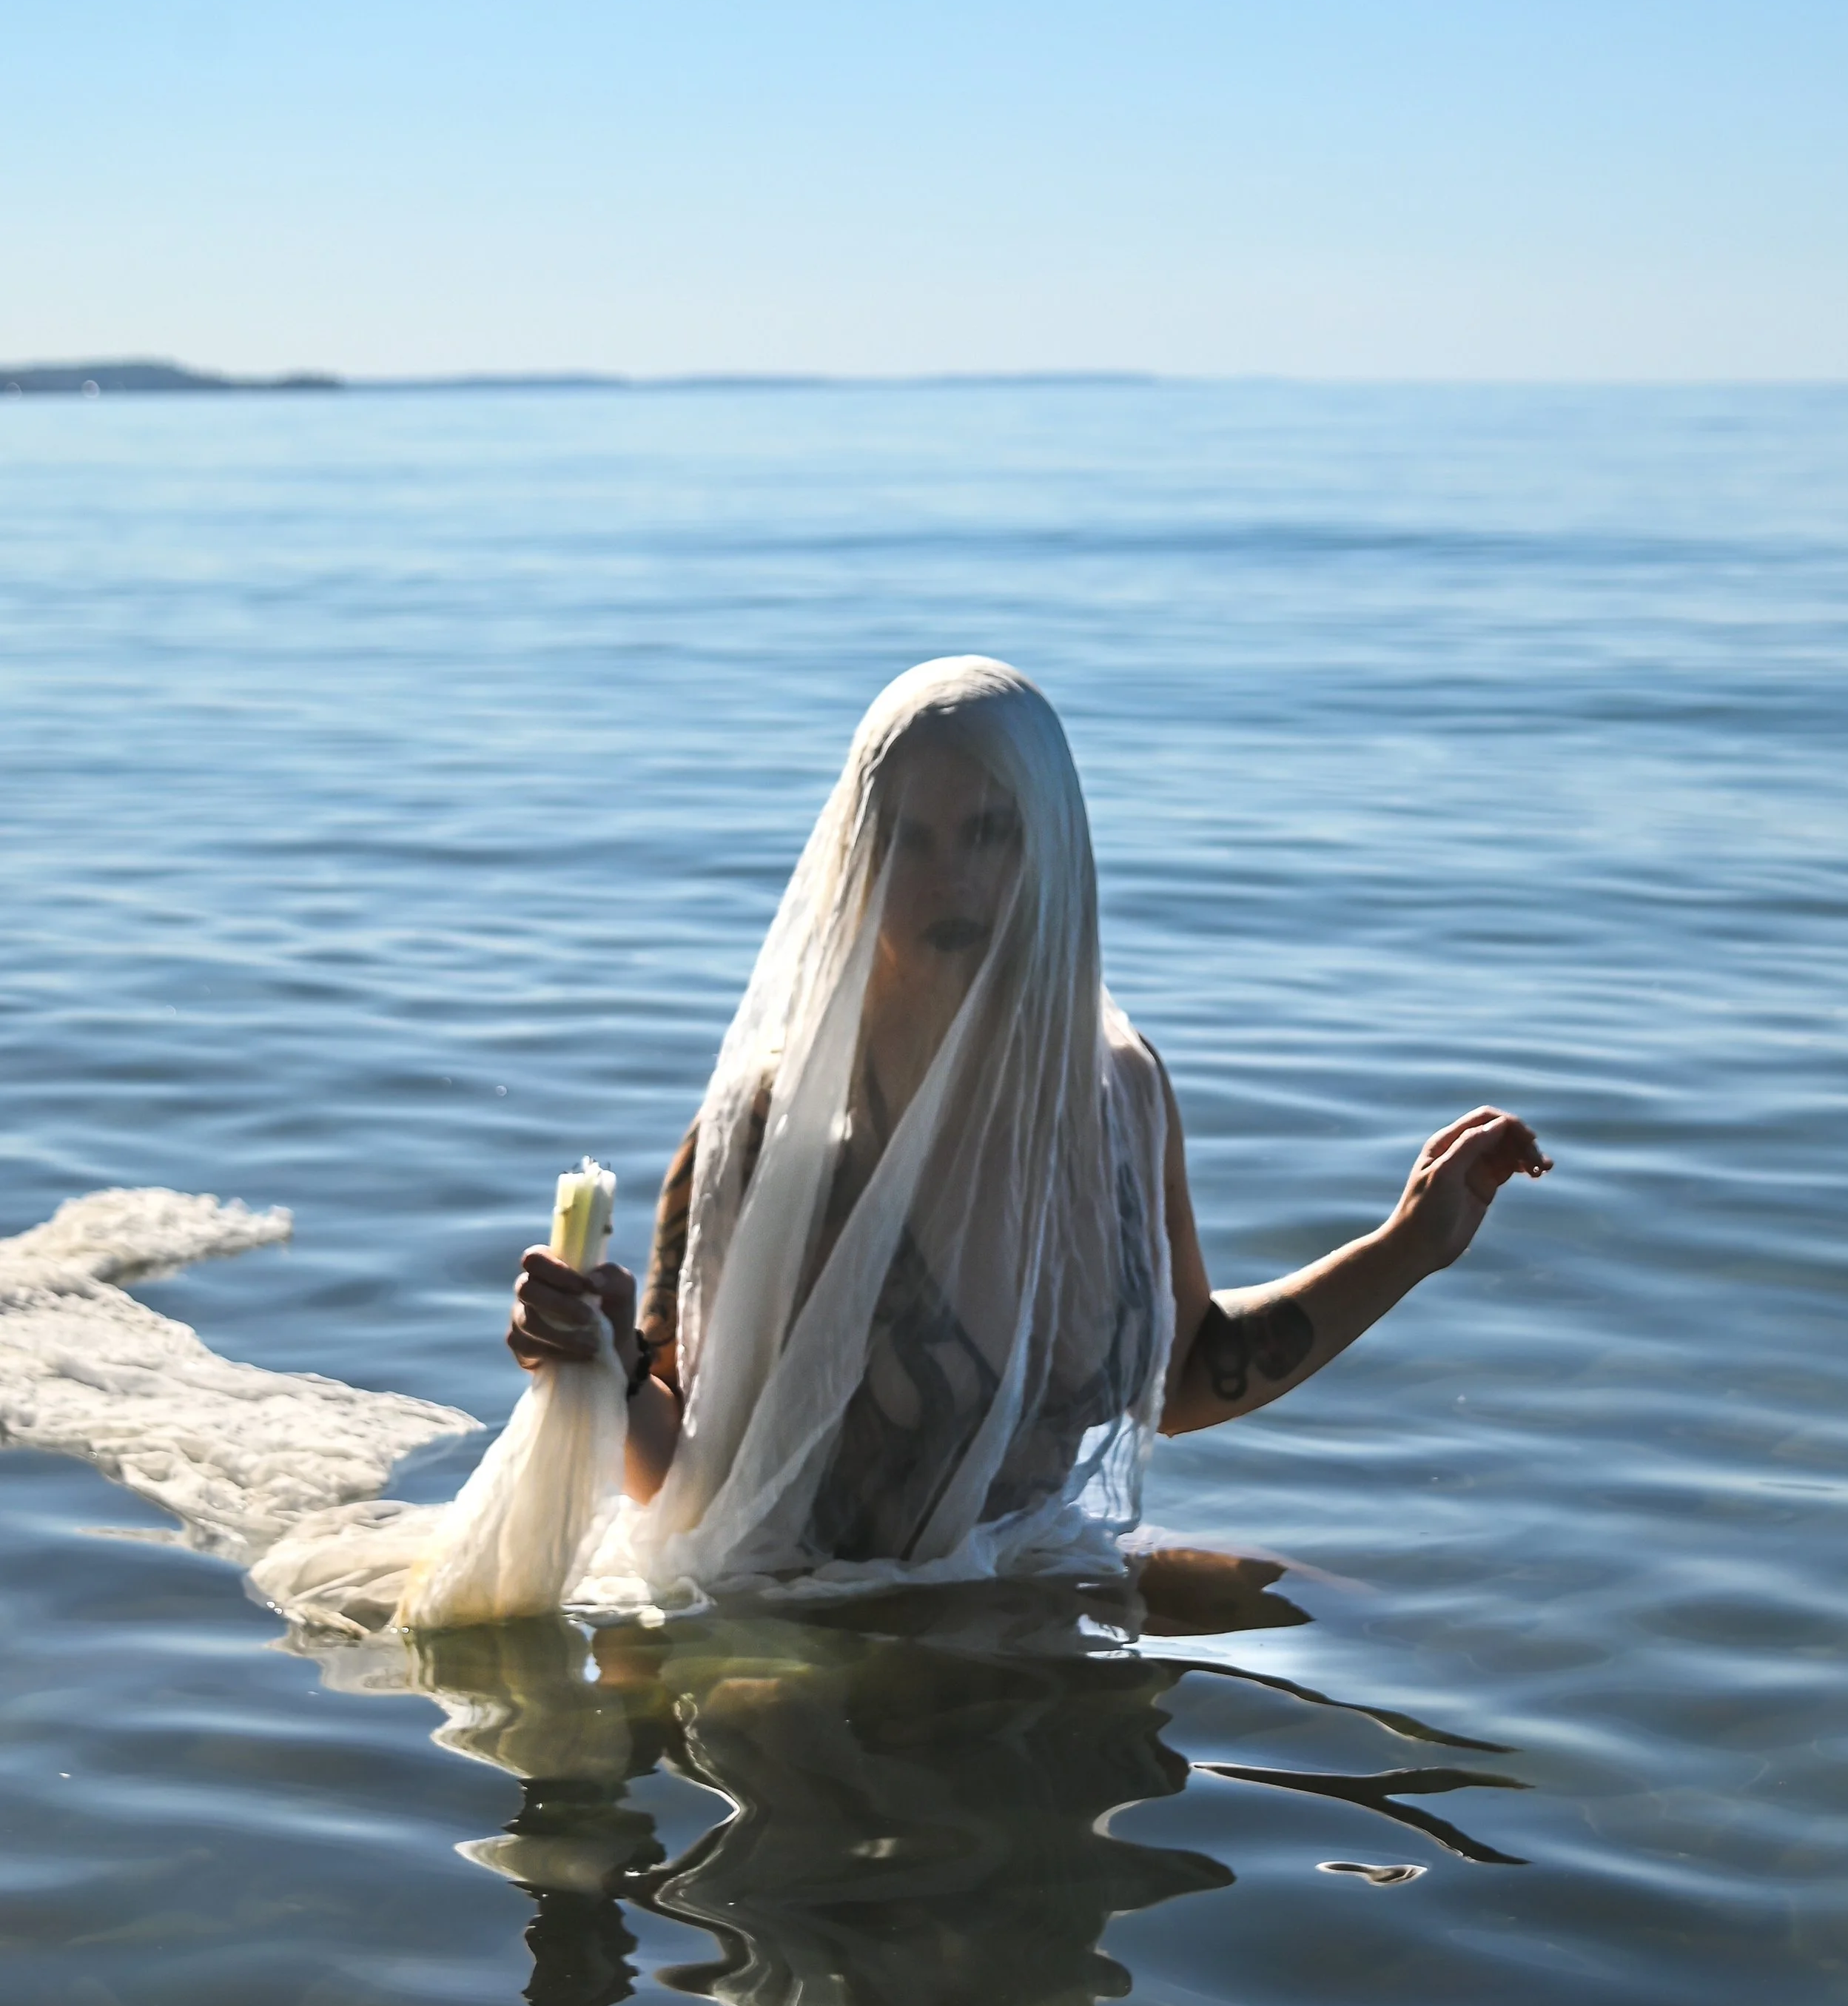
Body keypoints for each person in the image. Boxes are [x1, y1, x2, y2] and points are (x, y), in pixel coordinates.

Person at [508, 657, 1549, 1606]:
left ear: (1053, 851)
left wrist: (1410, 1243)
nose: (949, 877)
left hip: (1033, 1570)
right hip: (821, 1618)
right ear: (858, 863)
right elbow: (677, 1478)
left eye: (989, 833)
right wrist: (596, 1362)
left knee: (1372, 1614)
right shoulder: (777, 1134)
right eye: (910, 838)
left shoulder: (1121, 1097)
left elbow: (1184, 1375)